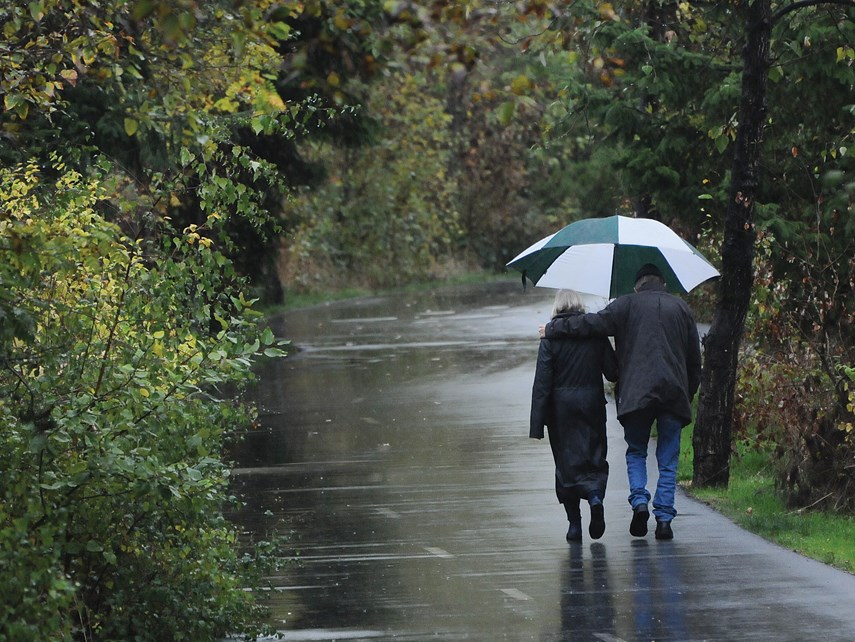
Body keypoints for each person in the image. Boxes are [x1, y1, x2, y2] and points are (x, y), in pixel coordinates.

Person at [538, 264, 701, 541]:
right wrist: (689, 391)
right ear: (662, 283)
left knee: (637, 451)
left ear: (637, 285)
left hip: (637, 395)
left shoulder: (624, 306)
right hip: (673, 393)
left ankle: (639, 502)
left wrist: (554, 328)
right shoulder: (681, 308)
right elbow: (694, 359)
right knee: (668, 459)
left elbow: (588, 324)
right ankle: (663, 519)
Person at [530, 289, 618, 542]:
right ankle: (595, 498)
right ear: (580, 307)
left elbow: (542, 382)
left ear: (557, 308)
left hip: (561, 410)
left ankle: (574, 525)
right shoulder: (595, 334)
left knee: (566, 463)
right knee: (594, 456)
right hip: (592, 404)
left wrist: (537, 424)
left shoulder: (549, 337)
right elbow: (612, 372)